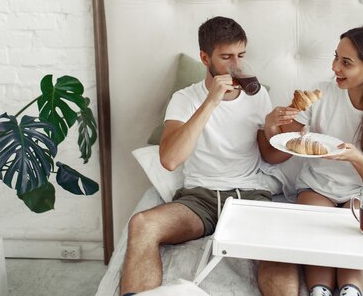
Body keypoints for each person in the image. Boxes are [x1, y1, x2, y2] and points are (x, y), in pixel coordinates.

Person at [120, 16, 292, 296]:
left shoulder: (257, 97)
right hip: (200, 198)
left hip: (249, 194)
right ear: (204, 57)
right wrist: (211, 101)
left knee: (275, 244)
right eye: (226, 57)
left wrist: (276, 130)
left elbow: (269, 156)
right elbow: (170, 160)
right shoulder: (184, 99)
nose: (236, 65)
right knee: (142, 224)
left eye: (241, 55)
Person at [261, 25, 363, 296]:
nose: (335, 68)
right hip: (316, 186)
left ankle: (350, 291)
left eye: (346, 63)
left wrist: (357, 159)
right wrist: (271, 126)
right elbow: (280, 149)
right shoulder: (322, 94)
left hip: (361, 192)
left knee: (351, 233)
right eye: (335, 58)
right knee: (319, 230)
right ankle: (320, 290)